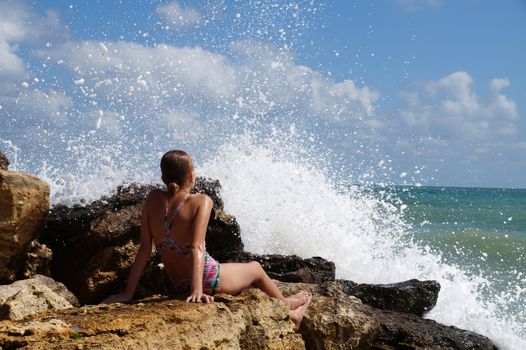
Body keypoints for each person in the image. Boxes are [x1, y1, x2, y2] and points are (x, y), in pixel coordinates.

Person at [102, 150, 311, 330]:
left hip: (178, 281)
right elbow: (197, 246)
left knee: (246, 285)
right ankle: (289, 309)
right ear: (192, 176)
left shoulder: (153, 199)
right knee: (255, 268)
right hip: (206, 279)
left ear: (163, 177)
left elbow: (145, 249)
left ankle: (287, 305)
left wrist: (127, 293)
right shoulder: (202, 201)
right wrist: (197, 291)